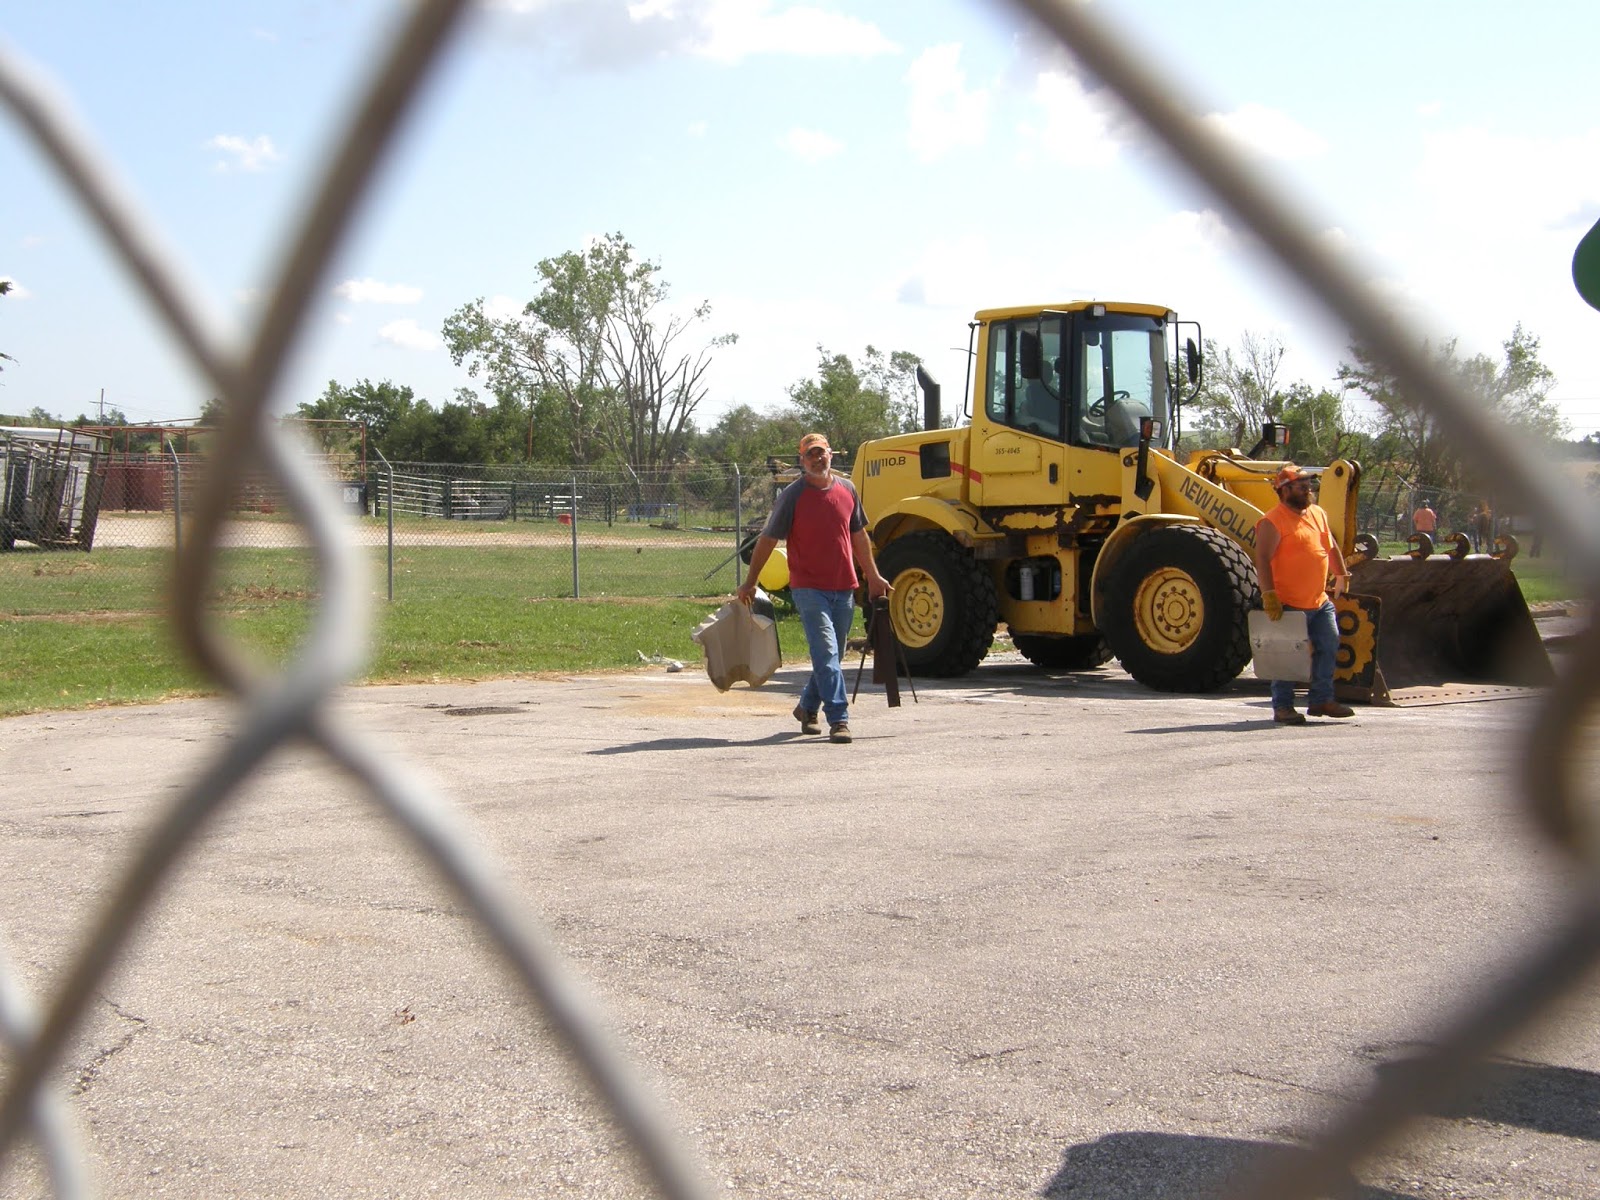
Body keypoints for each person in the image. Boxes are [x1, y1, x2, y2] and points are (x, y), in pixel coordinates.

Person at [738, 433, 891, 744]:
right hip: (808, 589)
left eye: (821, 453)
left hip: (844, 588)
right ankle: (839, 718)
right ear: (802, 461)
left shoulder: (847, 489)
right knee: (826, 653)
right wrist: (750, 581)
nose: (817, 459)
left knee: (831, 656)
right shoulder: (793, 496)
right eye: (811, 455)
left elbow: (859, 536)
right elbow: (768, 540)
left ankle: (807, 707)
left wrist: (873, 576)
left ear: (831, 455)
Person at [1254, 464, 1354, 725]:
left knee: (1329, 644)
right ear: (1285, 490)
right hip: (1288, 603)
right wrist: (1269, 595)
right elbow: (1262, 559)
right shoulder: (1272, 521)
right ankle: (1283, 707)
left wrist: (1342, 574)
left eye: (1309, 485)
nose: (1308, 489)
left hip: (1319, 602)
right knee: (1287, 655)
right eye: (1301, 486)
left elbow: (1330, 546)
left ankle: (1321, 699)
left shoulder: (1317, 513)